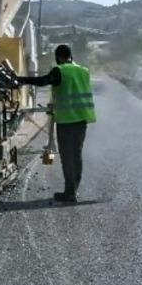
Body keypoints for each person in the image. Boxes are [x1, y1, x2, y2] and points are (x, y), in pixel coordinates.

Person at [14, 44, 96, 203]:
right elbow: (71, 90)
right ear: (70, 56)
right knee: (76, 154)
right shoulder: (83, 71)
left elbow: (42, 81)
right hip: (81, 120)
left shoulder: (60, 70)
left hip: (66, 121)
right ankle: (74, 189)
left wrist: (20, 80)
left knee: (67, 157)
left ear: (58, 57)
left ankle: (70, 193)